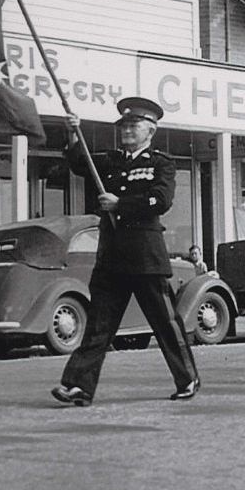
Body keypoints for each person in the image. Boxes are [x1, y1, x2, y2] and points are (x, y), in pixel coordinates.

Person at [51, 98, 199, 406]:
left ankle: (187, 379)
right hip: (112, 258)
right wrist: (73, 133)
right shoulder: (112, 160)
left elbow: (161, 201)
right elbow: (81, 163)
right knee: (98, 327)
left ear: (151, 130)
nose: (127, 131)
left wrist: (121, 204)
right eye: (123, 126)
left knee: (165, 325)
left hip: (145, 257)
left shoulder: (161, 163)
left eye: (133, 126)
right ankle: (78, 386)